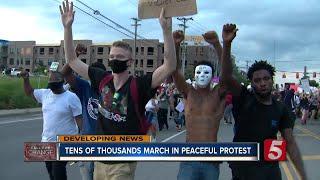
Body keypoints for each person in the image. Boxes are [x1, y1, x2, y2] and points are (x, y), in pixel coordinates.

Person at [59, 1, 176, 179]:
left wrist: (166, 31)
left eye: (120, 57)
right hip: (99, 159)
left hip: (123, 162)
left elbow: (169, 65)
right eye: (112, 56)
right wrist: (67, 28)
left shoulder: (139, 84)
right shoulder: (102, 78)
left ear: (130, 62)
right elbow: (73, 61)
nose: (115, 59)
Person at [172, 24, 238, 180]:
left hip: (210, 160)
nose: (202, 75)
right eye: (198, 72)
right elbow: (174, 71)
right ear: (194, 75)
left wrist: (221, 44)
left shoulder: (218, 93)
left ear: (213, 74)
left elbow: (227, 74)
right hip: (189, 159)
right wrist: (175, 45)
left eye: (206, 72)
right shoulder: (188, 91)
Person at [228, 60, 307, 179]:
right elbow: (226, 78)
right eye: (257, 80)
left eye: (266, 78)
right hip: (243, 172)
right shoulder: (243, 100)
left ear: (272, 80)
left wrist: (303, 176)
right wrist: (224, 45)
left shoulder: (281, 109)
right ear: (252, 83)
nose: (262, 83)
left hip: (270, 172)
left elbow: (290, 142)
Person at [20, 70, 82, 180]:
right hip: (46, 142)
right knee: (51, 173)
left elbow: (80, 122)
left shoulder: (71, 97)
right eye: (50, 80)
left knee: (58, 172)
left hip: (64, 142)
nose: (51, 82)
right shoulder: (45, 94)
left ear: (61, 82)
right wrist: (26, 79)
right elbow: (29, 92)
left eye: (54, 80)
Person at [61, 44, 106, 180]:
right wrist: (74, 55)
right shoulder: (85, 87)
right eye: (93, 76)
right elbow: (65, 74)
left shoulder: (111, 90)